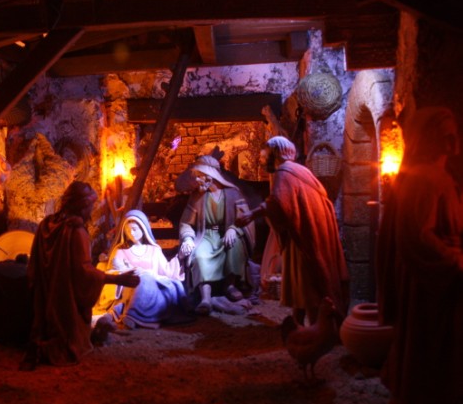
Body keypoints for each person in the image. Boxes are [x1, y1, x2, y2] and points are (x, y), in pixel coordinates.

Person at [376, 107, 463, 404]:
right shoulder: (425, 179)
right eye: (445, 136)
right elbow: (421, 234)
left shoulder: (439, 176)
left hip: (436, 273)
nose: (452, 142)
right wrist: (452, 258)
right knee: (428, 345)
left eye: (454, 134)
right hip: (429, 279)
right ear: (429, 139)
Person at [21, 181, 140, 370]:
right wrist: (116, 279)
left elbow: (35, 261)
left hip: (43, 294)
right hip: (64, 297)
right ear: (81, 205)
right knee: (68, 341)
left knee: (46, 327)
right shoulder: (75, 230)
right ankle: (45, 350)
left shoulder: (46, 225)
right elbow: (83, 272)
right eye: (90, 206)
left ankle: (38, 343)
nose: (91, 210)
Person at [236, 136, 349, 325]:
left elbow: (278, 203)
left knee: (306, 281)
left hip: (302, 237)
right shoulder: (301, 170)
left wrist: (251, 214)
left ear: (276, 153)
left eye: (266, 155)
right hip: (311, 231)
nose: (264, 160)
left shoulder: (284, 172)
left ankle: (315, 326)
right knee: (302, 280)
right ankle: (299, 321)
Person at [178, 155, 256, 315]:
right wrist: (187, 238)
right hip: (205, 235)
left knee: (234, 245)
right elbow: (186, 222)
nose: (197, 180)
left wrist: (233, 228)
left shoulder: (233, 194)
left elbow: (246, 219)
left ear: (210, 176)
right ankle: (205, 297)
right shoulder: (198, 196)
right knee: (200, 255)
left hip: (227, 234)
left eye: (199, 176)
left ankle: (230, 285)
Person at [104, 209, 191, 329]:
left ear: (143, 229)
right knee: (141, 279)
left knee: (146, 278)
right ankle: (133, 315)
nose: (131, 233)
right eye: (128, 230)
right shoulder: (120, 251)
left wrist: (179, 257)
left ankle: (132, 315)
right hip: (131, 287)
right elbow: (112, 274)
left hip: (154, 287)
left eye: (134, 229)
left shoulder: (154, 250)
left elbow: (166, 271)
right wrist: (125, 271)